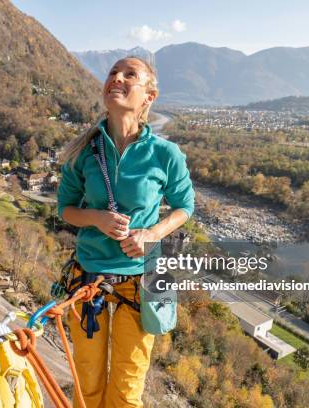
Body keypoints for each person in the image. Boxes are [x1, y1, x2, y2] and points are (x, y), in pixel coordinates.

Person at [56, 56, 195, 408]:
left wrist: (151, 233)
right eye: (112, 73)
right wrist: (98, 219)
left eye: (129, 75)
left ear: (149, 96)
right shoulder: (84, 151)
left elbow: (184, 207)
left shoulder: (165, 154)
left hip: (140, 277)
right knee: (86, 382)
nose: (116, 78)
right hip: (90, 276)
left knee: (127, 386)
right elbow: (66, 209)